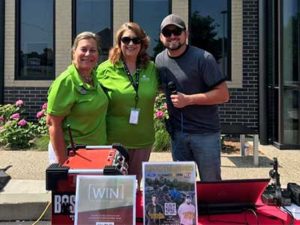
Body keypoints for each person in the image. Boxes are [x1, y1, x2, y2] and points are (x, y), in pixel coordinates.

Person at [155, 14, 229, 181]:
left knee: (211, 183)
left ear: (186, 34)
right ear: (161, 37)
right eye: (167, 32)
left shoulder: (203, 58)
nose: (172, 36)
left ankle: (210, 208)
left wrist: (188, 99)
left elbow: (223, 95)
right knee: (183, 187)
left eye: (177, 31)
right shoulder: (159, 60)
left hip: (205, 134)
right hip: (178, 135)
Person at [97, 22, 158, 190]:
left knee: (135, 187)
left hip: (143, 140)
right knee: (113, 188)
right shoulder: (105, 69)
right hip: (114, 141)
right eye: (126, 40)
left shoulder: (151, 68)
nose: (131, 44)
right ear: (119, 43)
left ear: (142, 43)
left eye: (135, 40)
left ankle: (131, 218)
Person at [47, 31, 108, 165]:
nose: (88, 54)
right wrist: (64, 164)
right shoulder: (66, 82)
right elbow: (53, 124)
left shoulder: (94, 77)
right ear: (74, 52)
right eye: (83, 49)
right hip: (72, 154)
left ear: (98, 55)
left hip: (94, 152)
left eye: (93, 50)